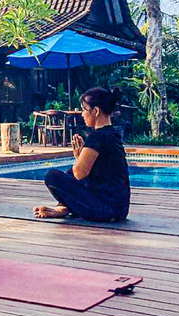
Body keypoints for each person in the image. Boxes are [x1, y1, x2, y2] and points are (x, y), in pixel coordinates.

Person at [33, 87, 130, 222]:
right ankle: (64, 207)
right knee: (69, 173)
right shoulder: (113, 135)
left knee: (53, 176)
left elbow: (79, 174)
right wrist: (80, 158)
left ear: (95, 111)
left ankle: (65, 208)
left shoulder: (98, 136)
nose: (82, 114)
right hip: (119, 210)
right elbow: (99, 174)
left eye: (84, 109)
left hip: (104, 210)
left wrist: (79, 159)